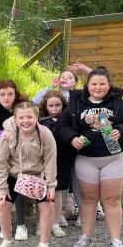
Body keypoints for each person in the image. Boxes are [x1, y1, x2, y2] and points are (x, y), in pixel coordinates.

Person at [55, 66, 123, 247]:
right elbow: (61, 125)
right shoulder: (76, 104)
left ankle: (116, 241)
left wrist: (122, 131)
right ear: (87, 85)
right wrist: (72, 138)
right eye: (94, 83)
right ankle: (85, 236)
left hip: (114, 158)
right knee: (88, 200)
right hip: (86, 159)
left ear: (109, 85)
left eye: (102, 84)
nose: (98, 87)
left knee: (112, 199)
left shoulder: (120, 104)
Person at [0, 102, 58, 247]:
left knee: (48, 205)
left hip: (38, 174)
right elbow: (0, 162)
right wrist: (2, 188)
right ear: (15, 119)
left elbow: (50, 161)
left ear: (36, 117)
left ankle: (44, 245)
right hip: (15, 174)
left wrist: (51, 186)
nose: (25, 121)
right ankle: (7, 241)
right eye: (21, 118)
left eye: (29, 117)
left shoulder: (45, 134)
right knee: (2, 203)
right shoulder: (8, 135)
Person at [0, 79, 30, 237]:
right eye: (2, 94)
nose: (6, 97)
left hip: (21, 154)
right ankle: (6, 225)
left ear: (15, 94)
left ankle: (21, 224)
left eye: (10, 94)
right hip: (2, 153)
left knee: (19, 186)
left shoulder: (22, 109)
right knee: (3, 187)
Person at [38, 90, 73, 234]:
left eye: (58, 105)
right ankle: (40, 223)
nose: (54, 109)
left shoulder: (68, 122)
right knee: (41, 192)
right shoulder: (41, 122)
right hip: (44, 161)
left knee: (58, 192)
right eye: (51, 106)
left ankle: (55, 223)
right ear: (46, 107)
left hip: (63, 160)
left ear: (63, 105)